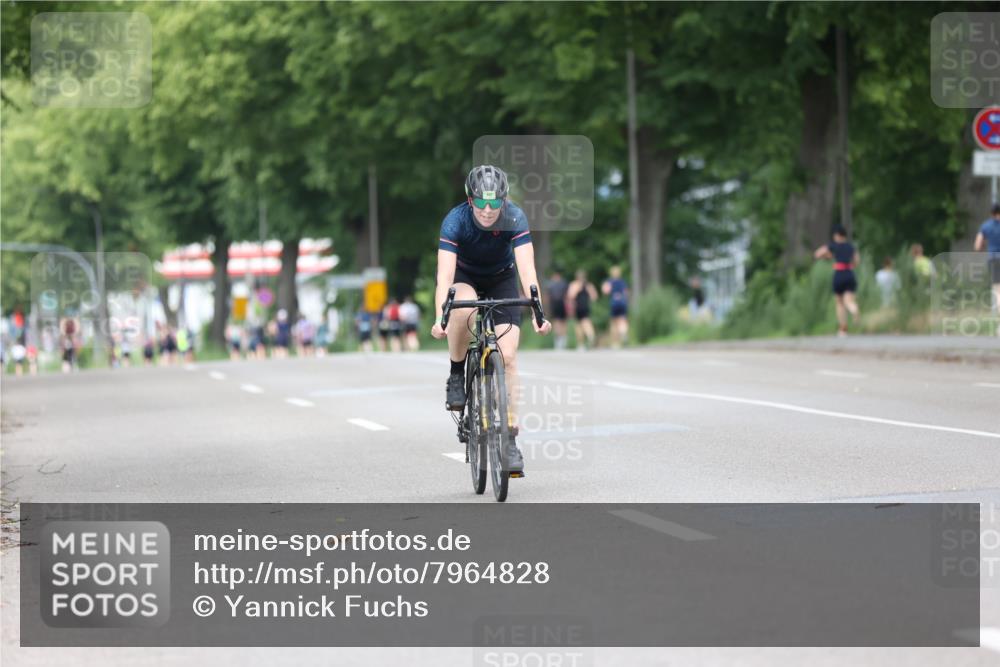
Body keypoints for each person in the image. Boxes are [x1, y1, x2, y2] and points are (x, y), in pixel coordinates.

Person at [430, 164, 552, 474]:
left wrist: (538, 311)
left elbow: (527, 271)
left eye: (495, 202)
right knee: (462, 307)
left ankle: (509, 440)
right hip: (465, 276)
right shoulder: (455, 221)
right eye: (481, 203)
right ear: (470, 200)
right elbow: (444, 276)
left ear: (504, 200)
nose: (487, 210)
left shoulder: (515, 218)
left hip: (501, 278)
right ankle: (457, 373)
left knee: (508, 356)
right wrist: (438, 317)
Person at [814, 225, 860, 337]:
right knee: (849, 301)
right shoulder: (851, 246)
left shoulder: (833, 245)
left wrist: (827, 256)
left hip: (839, 273)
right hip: (849, 273)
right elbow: (857, 261)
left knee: (839, 302)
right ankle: (854, 310)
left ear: (837, 235)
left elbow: (818, 253)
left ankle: (843, 329)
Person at [974, 202, 1000, 335]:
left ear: (991, 213)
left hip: (994, 259)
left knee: (997, 290)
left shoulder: (986, 226)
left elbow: (977, 246)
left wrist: (984, 245)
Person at [566, 269, 597, 350]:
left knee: (579, 325)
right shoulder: (588, 285)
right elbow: (594, 297)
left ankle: (582, 343)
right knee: (586, 321)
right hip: (586, 306)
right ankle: (590, 336)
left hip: (578, 306)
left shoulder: (574, 284)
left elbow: (570, 295)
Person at [602, 265, 630, 347]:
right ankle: (623, 333)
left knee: (613, 323)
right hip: (622, 302)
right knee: (623, 320)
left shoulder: (610, 282)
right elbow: (626, 293)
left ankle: (615, 343)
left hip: (614, 303)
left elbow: (605, 291)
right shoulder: (622, 282)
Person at [546, 271, 569, 350]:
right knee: (563, 323)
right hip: (562, 304)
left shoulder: (550, 284)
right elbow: (567, 296)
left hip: (554, 305)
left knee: (556, 322)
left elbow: (548, 297)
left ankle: (558, 342)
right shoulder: (564, 283)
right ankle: (563, 341)